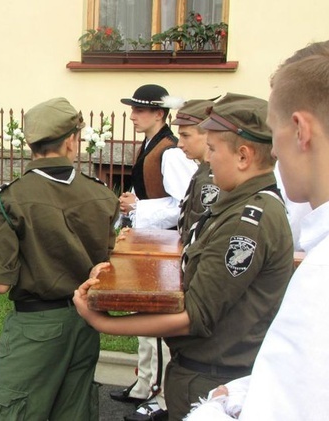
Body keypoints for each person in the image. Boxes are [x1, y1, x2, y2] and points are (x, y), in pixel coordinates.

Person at [184, 38, 329, 421]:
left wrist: (216, 407)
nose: (274, 152)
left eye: (274, 133)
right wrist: (247, 390)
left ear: (300, 130)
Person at [73, 93, 295, 421]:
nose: (208, 156)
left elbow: (195, 316)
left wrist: (102, 322)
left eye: (214, 149)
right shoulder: (236, 206)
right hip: (204, 371)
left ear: (244, 156)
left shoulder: (246, 221)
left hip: (211, 378)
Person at [0, 97, 120, 420]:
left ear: (31, 144)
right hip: (86, 323)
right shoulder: (101, 194)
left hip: (35, 327)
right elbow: (108, 264)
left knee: (9, 411)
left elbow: (0, 283)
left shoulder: (9, 199)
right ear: (71, 141)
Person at [112, 84, 198, 421]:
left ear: (159, 114)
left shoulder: (171, 152)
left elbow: (182, 206)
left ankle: (159, 394)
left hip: (163, 245)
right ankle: (144, 383)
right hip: (148, 241)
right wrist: (130, 207)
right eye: (132, 109)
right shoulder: (152, 146)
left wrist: (139, 207)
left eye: (139, 110)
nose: (132, 115)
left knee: (157, 320)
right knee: (144, 315)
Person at [172, 98, 220, 244]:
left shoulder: (211, 178)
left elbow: (203, 235)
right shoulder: (203, 171)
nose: (179, 144)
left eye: (186, 136)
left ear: (208, 134)